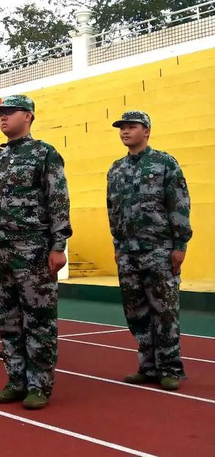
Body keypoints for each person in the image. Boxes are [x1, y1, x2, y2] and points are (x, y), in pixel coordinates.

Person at [0, 95, 72, 410]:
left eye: (10, 112)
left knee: (39, 319)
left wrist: (58, 245)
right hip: (1, 252)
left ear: (29, 116)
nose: (3, 117)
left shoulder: (44, 154)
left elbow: (58, 199)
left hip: (32, 250)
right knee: (8, 319)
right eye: (0, 114)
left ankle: (39, 385)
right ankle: (16, 380)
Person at [107, 111, 192, 391]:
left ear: (146, 131)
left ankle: (170, 368)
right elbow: (113, 210)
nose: (125, 132)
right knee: (136, 312)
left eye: (131, 127)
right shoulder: (116, 169)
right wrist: (118, 246)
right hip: (128, 252)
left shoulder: (165, 163)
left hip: (159, 250)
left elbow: (178, 204)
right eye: (122, 128)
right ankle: (148, 365)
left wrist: (180, 245)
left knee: (164, 311)